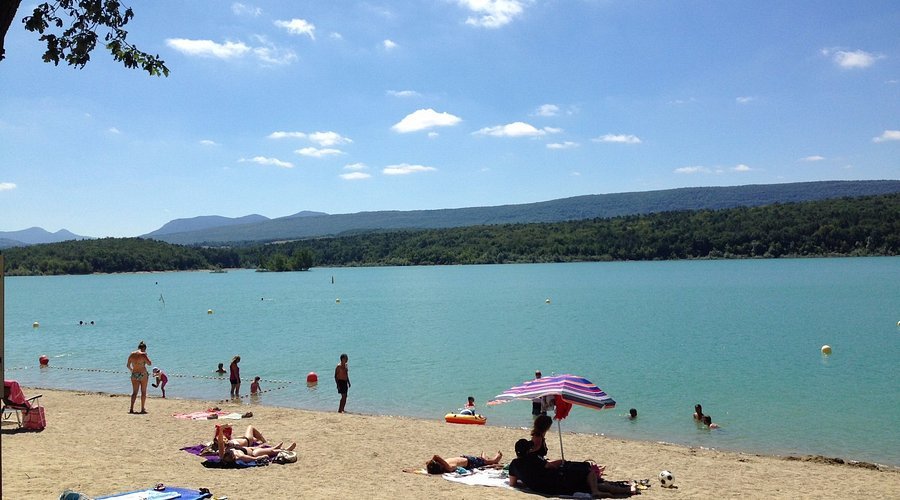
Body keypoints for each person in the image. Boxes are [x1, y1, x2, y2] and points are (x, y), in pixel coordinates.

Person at [508, 438, 635, 497]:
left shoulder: (514, 464)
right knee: (587, 469)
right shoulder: (533, 457)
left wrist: (527, 479)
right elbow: (549, 465)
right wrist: (561, 461)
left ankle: (627, 490)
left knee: (587, 484)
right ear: (528, 450)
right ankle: (625, 490)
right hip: (557, 482)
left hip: (544, 488)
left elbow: (513, 483)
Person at [212, 424, 295, 465]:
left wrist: (221, 430)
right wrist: (259, 458)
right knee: (271, 451)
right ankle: (285, 450)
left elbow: (220, 443)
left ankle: (275, 448)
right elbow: (250, 458)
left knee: (267, 449)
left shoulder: (225, 453)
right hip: (254, 453)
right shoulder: (238, 456)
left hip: (251, 449)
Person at [126, 341, 151, 414]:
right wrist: (146, 356)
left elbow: (128, 365)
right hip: (142, 374)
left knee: (134, 392)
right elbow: (149, 363)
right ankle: (142, 409)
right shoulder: (143, 354)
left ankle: (131, 408)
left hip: (134, 374)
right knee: (143, 391)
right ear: (144, 348)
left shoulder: (132, 354)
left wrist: (132, 370)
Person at [425, 452, 503, 474]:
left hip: (466, 459)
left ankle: (483, 455)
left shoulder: (444, 465)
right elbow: (436, 456)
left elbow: (436, 457)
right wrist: (432, 461)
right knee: (488, 462)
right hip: (470, 462)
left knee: (484, 461)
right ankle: (496, 457)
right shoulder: (447, 466)